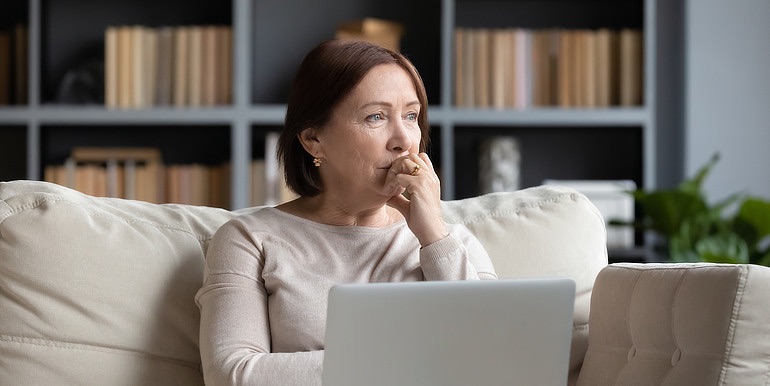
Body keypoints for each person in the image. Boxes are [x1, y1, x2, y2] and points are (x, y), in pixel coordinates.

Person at [195, 38, 498, 385]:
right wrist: (414, 366)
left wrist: (433, 236)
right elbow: (231, 374)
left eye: (411, 116)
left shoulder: (451, 241)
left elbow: (491, 360)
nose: (403, 140)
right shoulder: (248, 239)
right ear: (313, 139)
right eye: (376, 116)